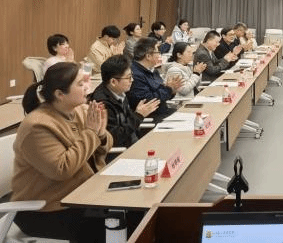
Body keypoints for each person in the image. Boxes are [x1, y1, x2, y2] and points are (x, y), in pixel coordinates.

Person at [11, 62, 113, 242]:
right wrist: (91, 133)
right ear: (60, 94)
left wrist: (101, 133)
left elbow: (105, 146)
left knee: (134, 212)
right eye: (80, 84)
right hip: (46, 210)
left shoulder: (81, 110)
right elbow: (62, 169)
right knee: (117, 224)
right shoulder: (37, 126)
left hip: (81, 196)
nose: (87, 87)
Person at [90, 55, 159, 148]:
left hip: (133, 144)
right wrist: (138, 115)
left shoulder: (119, 92)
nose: (132, 80)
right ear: (113, 82)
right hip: (122, 151)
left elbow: (128, 124)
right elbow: (114, 138)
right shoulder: (102, 104)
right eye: (128, 78)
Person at [128, 37, 184, 122]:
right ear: (148, 56)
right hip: (151, 118)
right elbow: (148, 101)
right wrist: (168, 89)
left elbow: (163, 93)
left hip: (162, 111)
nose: (159, 55)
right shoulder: (135, 74)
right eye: (157, 52)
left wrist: (172, 90)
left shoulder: (152, 70)